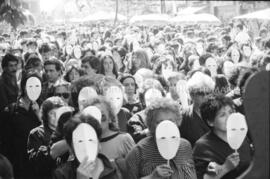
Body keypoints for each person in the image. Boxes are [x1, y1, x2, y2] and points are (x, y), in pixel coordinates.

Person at [125, 98, 197, 179]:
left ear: (177, 122)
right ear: (151, 124)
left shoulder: (185, 146)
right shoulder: (138, 152)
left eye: (171, 121)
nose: (166, 126)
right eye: (160, 122)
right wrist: (152, 177)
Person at [193, 94, 252, 179]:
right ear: (210, 122)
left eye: (231, 112)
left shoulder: (242, 136)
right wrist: (225, 168)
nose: (229, 117)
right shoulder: (202, 146)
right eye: (222, 115)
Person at [53, 114, 123, 179]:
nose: (86, 147)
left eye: (90, 140)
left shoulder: (117, 168)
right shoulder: (61, 175)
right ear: (70, 147)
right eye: (80, 141)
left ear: (98, 143)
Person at [6, 71, 42, 178]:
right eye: (30, 86)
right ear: (23, 86)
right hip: (18, 160)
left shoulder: (44, 106)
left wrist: (38, 114)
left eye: (37, 85)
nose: (34, 89)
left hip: (38, 160)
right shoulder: (11, 110)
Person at [27, 97, 66, 178]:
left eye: (59, 113)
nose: (56, 116)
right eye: (52, 113)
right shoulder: (36, 133)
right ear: (45, 115)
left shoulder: (68, 132)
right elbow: (36, 165)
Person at [180, 72, 215, 146]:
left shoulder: (217, 111)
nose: (205, 96)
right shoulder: (184, 116)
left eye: (208, 93)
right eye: (201, 93)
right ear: (192, 94)